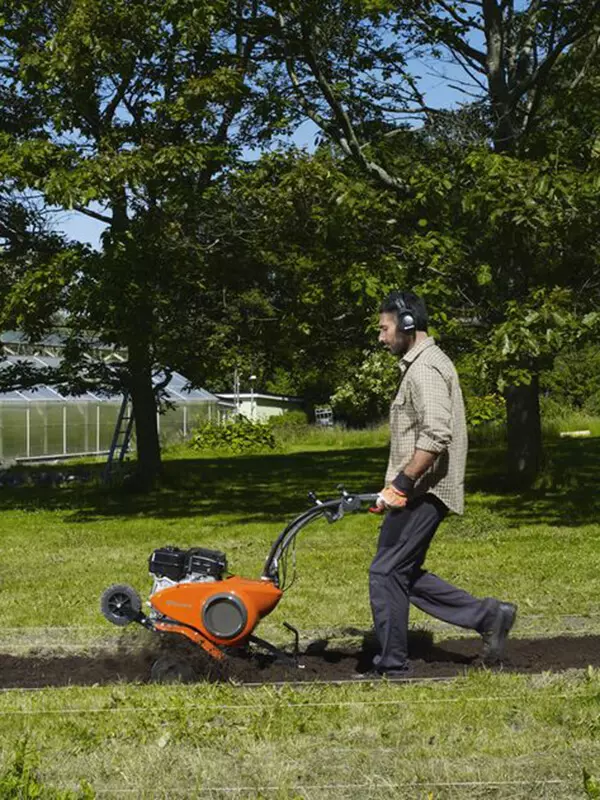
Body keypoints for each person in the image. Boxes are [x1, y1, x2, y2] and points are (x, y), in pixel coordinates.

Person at [365, 290, 516, 676]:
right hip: (413, 489)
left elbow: (435, 435)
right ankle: (489, 616)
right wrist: (393, 488)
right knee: (400, 573)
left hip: (425, 490)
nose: (381, 338)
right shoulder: (418, 365)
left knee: (386, 572)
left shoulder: (426, 368)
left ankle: (393, 665)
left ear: (407, 325)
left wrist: (401, 484)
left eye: (384, 329)